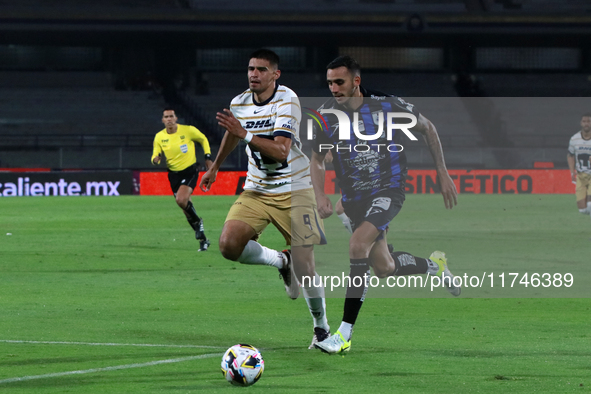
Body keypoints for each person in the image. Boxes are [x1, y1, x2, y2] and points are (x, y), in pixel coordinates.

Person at [309, 55, 460, 354]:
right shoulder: (325, 115)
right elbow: (316, 159)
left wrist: (442, 172)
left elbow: (428, 129)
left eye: (339, 82)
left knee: (356, 246)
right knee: (383, 266)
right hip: (353, 198)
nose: (334, 88)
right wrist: (320, 195)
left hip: (388, 189)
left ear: (356, 81)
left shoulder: (388, 105)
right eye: (329, 83)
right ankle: (435, 265)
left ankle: (344, 334)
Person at [199, 49, 330, 348]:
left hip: (295, 188)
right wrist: (216, 167)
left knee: (307, 265)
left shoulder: (288, 100)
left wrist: (244, 134)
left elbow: (281, 150)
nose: (253, 74)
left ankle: (321, 328)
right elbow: (233, 135)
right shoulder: (239, 102)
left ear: (275, 74)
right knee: (229, 245)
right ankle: (281, 262)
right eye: (250, 69)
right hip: (257, 189)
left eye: (260, 69)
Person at [151, 108, 213, 251]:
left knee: (181, 199)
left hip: (190, 171)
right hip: (173, 175)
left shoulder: (188, 130)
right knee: (186, 210)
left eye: (171, 116)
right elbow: (155, 154)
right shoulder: (159, 137)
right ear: (163, 120)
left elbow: (203, 139)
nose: (169, 119)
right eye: (166, 117)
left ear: (176, 118)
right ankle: (203, 240)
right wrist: (155, 159)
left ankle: (199, 222)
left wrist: (207, 156)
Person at [567, 113, 591, 215]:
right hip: (581, 176)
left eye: (589, 121)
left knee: (590, 204)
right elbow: (570, 155)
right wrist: (572, 172)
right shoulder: (574, 139)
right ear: (581, 123)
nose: (586, 124)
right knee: (583, 210)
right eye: (584, 121)